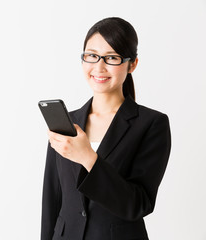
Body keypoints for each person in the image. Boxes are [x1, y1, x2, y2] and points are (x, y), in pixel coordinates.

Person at [41, 17, 171, 240]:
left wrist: (88, 158)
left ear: (132, 64)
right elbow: (52, 199)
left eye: (111, 57)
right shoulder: (67, 122)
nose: (99, 67)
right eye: (91, 56)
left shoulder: (151, 124)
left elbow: (138, 205)